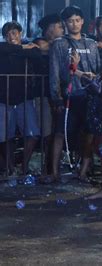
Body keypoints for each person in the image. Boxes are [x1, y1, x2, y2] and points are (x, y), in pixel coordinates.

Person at [45, 5, 100, 184]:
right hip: (68, 96)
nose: (74, 24)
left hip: (89, 97)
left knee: (88, 134)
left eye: (77, 20)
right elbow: (53, 73)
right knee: (59, 133)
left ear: (82, 21)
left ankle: (83, 172)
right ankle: (54, 173)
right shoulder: (59, 44)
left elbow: (97, 70)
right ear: (65, 23)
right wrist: (56, 97)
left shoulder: (91, 44)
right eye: (70, 21)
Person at [0, 21, 41, 175]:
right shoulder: (5, 48)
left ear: (20, 33)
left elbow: (36, 53)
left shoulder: (29, 47)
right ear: (5, 36)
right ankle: (9, 167)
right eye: (9, 34)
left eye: (15, 33)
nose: (12, 36)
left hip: (25, 97)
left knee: (32, 134)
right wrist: (22, 48)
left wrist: (23, 49)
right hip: (4, 99)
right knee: (6, 136)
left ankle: (24, 165)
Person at [34, 14, 64, 175]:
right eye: (60, 26)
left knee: (57, 131)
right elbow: (44, 47)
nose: (62, 29)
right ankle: (47, 166)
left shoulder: (61, 44)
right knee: (47, 132)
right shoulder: (39, 43)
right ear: (51, 28)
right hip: (44, 94)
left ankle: (53, 165)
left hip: (59, 94)